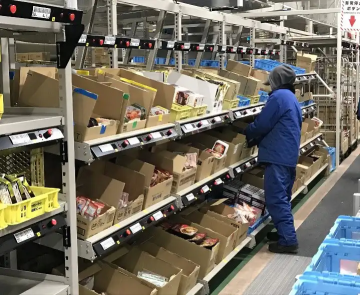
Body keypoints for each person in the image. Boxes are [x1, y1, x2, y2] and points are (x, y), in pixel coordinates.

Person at [245, 65, 302, 254]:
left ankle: (288, 241)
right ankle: (283, 232)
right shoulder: (292, 98)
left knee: (276, 199)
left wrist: (246, 131)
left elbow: (263, 124)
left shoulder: (278, 97)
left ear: (277, 81)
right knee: (283, 197)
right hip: (287, 155)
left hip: (278, 155)